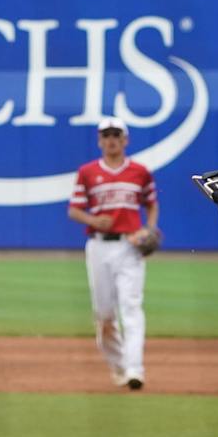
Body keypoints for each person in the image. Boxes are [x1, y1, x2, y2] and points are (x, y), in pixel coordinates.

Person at [66, 116, 158, 390]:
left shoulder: (140, 172)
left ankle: (135, 370)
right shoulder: (87, 172)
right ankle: (119, 366)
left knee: (131, 307)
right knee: (104, 315)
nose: (111, 140)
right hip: (98, 246)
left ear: (125, 140)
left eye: (116, 135)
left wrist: (148, 229)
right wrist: (93, 221)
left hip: (130, 247)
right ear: (99, 141)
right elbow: (74, 210)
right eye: (106, 135)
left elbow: (151, 204)